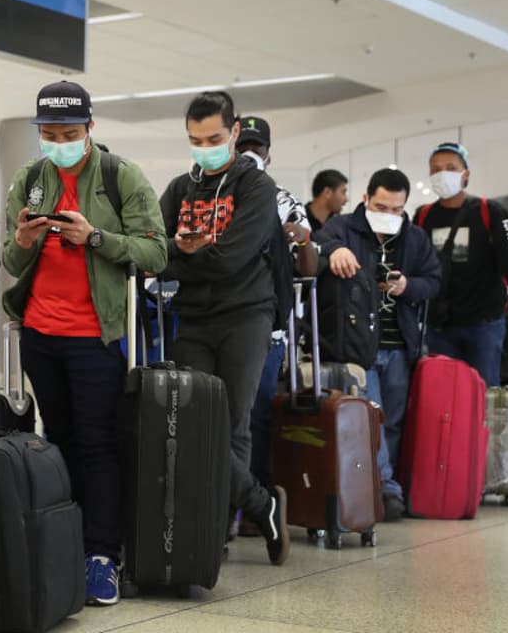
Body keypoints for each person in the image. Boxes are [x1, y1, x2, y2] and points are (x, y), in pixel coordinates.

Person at [3, 80, 166, 605]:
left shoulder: (121, 176)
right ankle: (66, 543)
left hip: (96, 334)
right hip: (40, 333)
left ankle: (102, 555)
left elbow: (156, 252)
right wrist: (24, 240)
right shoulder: (31, 178)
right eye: (49, 135)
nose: (59, 143)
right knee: (58, 440)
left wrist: (94, 237)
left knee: (98, 444)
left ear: (90, 128)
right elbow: (12, 260)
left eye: (69, 134)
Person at [159, 91, 290, 566]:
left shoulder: (257, 187)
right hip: (193, 319)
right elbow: (155, 251)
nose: (205, 148)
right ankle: (261, 504)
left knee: (232, 425)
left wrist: (184, 255)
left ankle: (216, 531)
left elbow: (232, 258)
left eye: (213, 138)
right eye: (195, 140)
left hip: (246, 315)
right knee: (195, 424)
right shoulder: (180, 189)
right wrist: (182, 253)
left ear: (234, 132)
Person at [314, 169, 441, 520]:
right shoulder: (343, 229)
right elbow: (318, 243)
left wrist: (407, 286)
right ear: (366, 198)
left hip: (400, 343)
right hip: (358, 343)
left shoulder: (413, 238)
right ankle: (384, 489)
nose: (388, 215)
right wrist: (335, 250)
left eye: (396, 209)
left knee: (393, 421)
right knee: (372, 416)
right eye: (381, 207)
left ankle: (384, 484)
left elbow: (433, 280)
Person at [235, 116, 317, 503]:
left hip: (269, 327)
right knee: (222, 413)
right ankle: (225, 501)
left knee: (257, 413)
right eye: (243, 147)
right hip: (218, 318)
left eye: (257, 148)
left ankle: (258, 501)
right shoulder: (215, 196)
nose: (249, 154)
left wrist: (303, 240)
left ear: (269, 154)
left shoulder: (283, 200)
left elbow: (309, 268)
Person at [414, 142, 508, 387]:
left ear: (465, 174)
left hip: (483, 322)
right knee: (444, 393)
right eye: (435, 169)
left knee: (483, 390)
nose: (442, 174)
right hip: (439, 325)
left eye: (450, 168)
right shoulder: (423, 215)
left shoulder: (490, 211)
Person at [307, 169, 349, 234]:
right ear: (327, 192)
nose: (346, 199)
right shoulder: (297, 220)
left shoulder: (339, 225)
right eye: (343, 192)